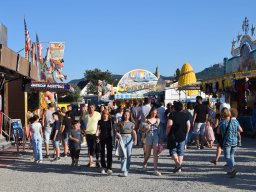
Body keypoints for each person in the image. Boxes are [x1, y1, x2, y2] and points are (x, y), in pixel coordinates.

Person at [217, 108, 243, 178]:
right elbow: (241, 130)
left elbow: (218, 132)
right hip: (234, 142)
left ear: (222, 114)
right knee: (232, 156)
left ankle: (233, 169)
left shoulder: (222, 122)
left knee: (227, 157)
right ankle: (231, 170)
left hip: (227, 142)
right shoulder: (235, 121)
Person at [167, 101, 190, 173]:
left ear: (174, 108)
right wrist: (186, 132)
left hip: (173, 135)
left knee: (172, 150)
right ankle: (179, 167)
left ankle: (177, 164)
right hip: (182, 135)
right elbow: (188, 125)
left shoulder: (172, 114)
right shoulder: (185, 115)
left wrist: (167, 133)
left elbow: (169, 125)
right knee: (181, 151)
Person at [116, 110, 137, 177]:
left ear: (130, 116)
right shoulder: (120, 123)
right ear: (123, 115)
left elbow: (134, 132)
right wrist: (117, 137)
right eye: (125, 115)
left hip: (129, 138)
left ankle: (127, 169)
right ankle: (124, 170)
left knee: (128, 154)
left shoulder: (132, 123)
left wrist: (135, 139)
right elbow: (117, 131)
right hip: (122, 138)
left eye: (128, 115)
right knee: (123, 155)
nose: (126, 116)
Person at [141, 107, 161, 176]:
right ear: (150, 112)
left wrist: (160, 139)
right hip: (148, 135)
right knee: (148, 153)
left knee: (155, 153)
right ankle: (144, 163)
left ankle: (155, 169)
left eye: (155, 113)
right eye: (153, 113)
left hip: (156, 136)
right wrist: (145, 128)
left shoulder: (158, 119)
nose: (154, 114)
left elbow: (159, 130)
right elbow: (141, 129)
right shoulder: (146, 119)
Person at [96, 110, 114, 175]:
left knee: (109, 153)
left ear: (108, 114)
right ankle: (103, 167)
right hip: (102, 138)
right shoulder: (100, 121)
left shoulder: (111, 121)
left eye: (106, 114)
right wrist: (97, 137)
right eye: (104, 114)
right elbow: (97, 130)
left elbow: (113, 129)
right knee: (102, 152)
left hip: (109, 138)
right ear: (102, 114)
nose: (105, 115)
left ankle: (109, 168)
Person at [84, 103, 101, 167]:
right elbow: (82, 122)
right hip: (88, 133)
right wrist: (83, 130)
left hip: (95, 133)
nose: (91, 109)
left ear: (94, 108)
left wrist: (98, 131)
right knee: (89, 147)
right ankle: (91, 161)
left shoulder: (98, 114)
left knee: (96, 148)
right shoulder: (85, 114)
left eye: (92, 107)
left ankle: (97, 161)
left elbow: (99, 124)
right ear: (88, 108)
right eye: (90, 107)